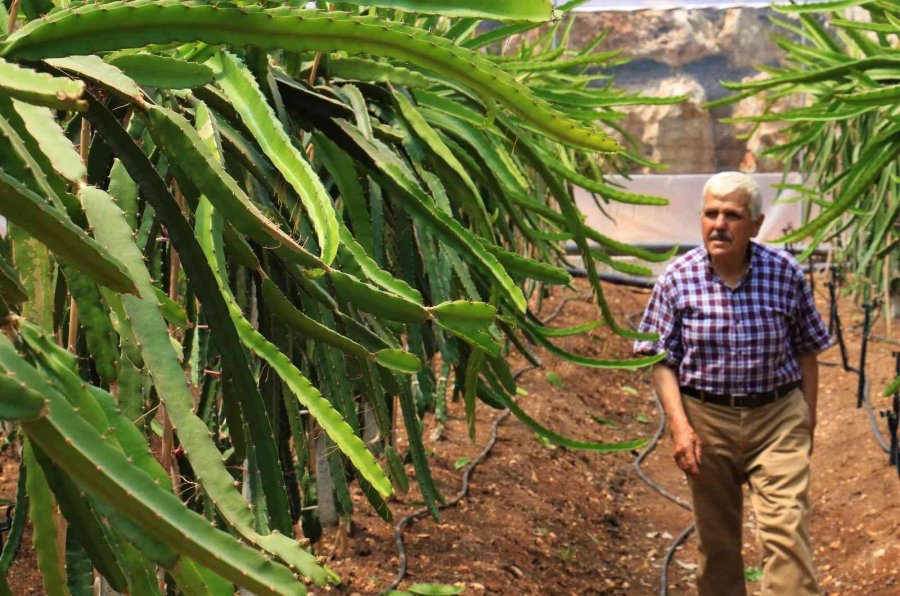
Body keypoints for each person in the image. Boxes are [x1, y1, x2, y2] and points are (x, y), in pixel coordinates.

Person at [634, 172, 831, 595]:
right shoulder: (677, 278)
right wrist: (680, 427)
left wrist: (807, 420)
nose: (719, 224)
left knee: (787, 531)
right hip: (706, 420)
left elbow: (807, 350)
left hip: (777, 418)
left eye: (732, 215)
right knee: (718, 540)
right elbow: (659, 359)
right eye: (711, 213)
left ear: (756, 225)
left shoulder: (784, 273)